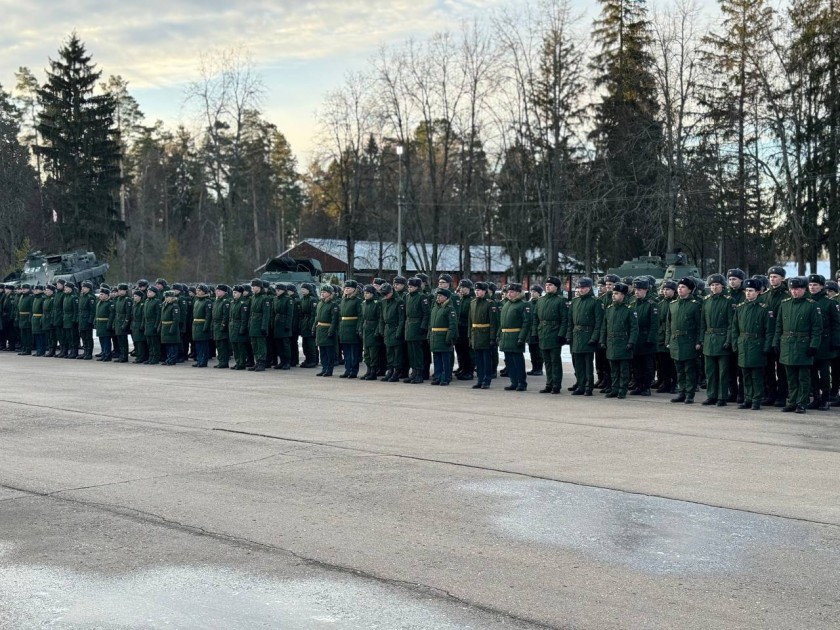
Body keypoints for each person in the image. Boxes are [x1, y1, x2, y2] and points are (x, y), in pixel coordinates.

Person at [773, 276, 822, 413]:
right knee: (791, 377)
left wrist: (814, 345)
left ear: (804, 289)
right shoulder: (785, 304)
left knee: (803, 377)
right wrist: (775, 342)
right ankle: (793, 401)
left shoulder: (811, 305)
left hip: (803, 345)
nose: (794, 292)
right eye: (792, 289)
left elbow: (817, 329)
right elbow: (778, 326)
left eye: (798, 289)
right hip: (787, 344)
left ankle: (802, 402)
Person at [731, 278, 773, 410]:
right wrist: (735, 344)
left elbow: (769, 330)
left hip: (757, 344)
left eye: (751, 291)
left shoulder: (764, 308)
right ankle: (747, 398)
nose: (748, 293)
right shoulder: (740, 307)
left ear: (758, 292)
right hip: (743, 343)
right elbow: (734, 328)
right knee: (745, 375)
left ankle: (756, 400)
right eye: (746, 291)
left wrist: (767, 347)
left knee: (757, 375)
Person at [665, 277, 703, 404]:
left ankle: (690, 394)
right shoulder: (673, 304)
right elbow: (668, 325)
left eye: (683, 287)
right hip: (676, 341)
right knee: (679, 370)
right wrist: (668, 340)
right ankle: (681, 392)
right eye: (679, 287)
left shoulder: (695, 305)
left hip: (689, 341)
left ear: (690, 290)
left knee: (689, 370)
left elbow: (699, 326)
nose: (680, 289)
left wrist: (698, 341)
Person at [806, 274, 840, 410]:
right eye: (810, 285)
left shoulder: (830, 302)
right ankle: (816, 397)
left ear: (821, 287)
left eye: (815, 285)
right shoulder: (807, 301)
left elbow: (836, 325)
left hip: (825, 342)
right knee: (812, 372)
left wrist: (835, 342)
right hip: (809, 341)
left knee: (825, 372)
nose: (812, 287)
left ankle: (825, 398)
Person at [599, 282, 639, 399]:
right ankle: (614, 388)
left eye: (616, 293)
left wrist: (631, 342)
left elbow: (634, 328)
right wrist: (602, 340)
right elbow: (604, 327)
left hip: (623, 342)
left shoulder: (629, 310)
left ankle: (622, 389)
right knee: (613, 369)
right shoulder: (609, 309)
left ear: (623, 295)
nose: (613, 295)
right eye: (613, 293)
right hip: (611, 342)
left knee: (624, 370)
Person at [700, 274, 733, 406]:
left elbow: (731, 323)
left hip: (722, 338)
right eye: (712, 285)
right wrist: (701, 340)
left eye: (717, 285)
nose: (714, 287)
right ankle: (711, 395)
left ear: (722, 286)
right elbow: (702, 322)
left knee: (723, 372)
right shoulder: (706, 300)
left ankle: (722, 396)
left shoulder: (728, 300)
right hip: (709, 339)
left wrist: (728, 340)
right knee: (710, 371)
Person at [568, 277, 604, 395]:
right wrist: (569, 335)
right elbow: (570, 321)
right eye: (579, 287)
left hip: (588, 335)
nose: (580, 290)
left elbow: (599, 322)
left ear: (589, 288)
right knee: (578, 362)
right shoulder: (575, 301)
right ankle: (581, 384)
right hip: (576, 335)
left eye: (583, 287)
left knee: (588, 363)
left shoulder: (595, 301)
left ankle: (588, 386)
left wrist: (594, 337)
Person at [533, 276, 567, 394]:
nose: (547, 286)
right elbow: (535, 318)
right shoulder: (541, 300)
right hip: (543, 333)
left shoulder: (560, 300)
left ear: (556, 287)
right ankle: (549, 383)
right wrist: (535, 333)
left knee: (555, 361)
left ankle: (556, 385)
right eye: (546, 285)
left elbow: (564, 319)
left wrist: (561, 334)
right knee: (546, 361)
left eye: (550, 285)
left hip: (554, 333)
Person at [498, 283, 532, 391]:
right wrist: (498, 334)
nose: (509, 294)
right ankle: (514, 382)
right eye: (508, 292)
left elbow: (526, 323)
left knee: (518, 361)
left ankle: (522, 383)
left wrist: (521, 338)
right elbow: (502, 322)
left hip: (515, 335)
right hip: (505, 336)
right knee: (509, 361)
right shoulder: (506, 304)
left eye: (512, 292)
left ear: (518, 292)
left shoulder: (523, 305)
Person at [629, 277, 659, 396]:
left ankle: (646, 387)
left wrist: (650, 339)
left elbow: (654, 324)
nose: (637, 292)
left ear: (646, 290)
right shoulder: (632, 304)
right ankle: (639, 385)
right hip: (636, 339)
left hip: (646, 338)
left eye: (640, 289)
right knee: (636, 365)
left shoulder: (651, 304)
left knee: (647, 365)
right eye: (635, 289)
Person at [468, 281, 499, 390]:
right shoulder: (472, 303)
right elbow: (470, 322)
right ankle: (480, 380)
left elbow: (493, 323)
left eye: (479, 290)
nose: (477, 292)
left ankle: (486, 380)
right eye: (476, 290)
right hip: (475, 335)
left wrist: (492, 337)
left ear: (485, 291)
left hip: (485, 335)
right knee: (478, 360)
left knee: (486, 360)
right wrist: (470, 336)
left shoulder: (490, 303)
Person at [403, 277, 430, 384]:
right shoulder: (407, 296)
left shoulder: (422, 297)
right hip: (409, 326)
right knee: (411, 352)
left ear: (417, 287)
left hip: (417, 326)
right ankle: (413, 372)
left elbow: (426, 313)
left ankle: (419, 373)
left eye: (412, 287)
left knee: (418, 352)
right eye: (409, 286)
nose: (409, 288)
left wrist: (423, 326)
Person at [429, 288, 458, 385]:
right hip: (435, 336)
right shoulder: (435, 308)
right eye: (437, 296)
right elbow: (431, 324)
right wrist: (429, 335)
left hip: (444, 336)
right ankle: (438, 376)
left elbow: (453, 325)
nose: (438, 297)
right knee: (437, 358)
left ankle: (446, 377)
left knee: (445, 359)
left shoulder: (449, 308)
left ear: (446, 297)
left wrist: (449, 337)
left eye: (440, 296)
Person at [339, 280, 363, 378]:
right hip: (344, 327)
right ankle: (347, 369)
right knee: (346, 351)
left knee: (354, 352)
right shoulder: (343, 300)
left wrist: (358, 328)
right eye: (345, 288)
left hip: (352, 327)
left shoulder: (357, 300)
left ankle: (353, 370)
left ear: (354, 289)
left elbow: (360, 315)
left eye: (348, 288)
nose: (346, 290)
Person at [314, 285, 340, 377]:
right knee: (322, 351)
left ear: (329, 294)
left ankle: (329, 369)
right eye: (321, 292)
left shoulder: (333, 304)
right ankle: (324, 368)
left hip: (327, 329)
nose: (322, 294)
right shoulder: (320, 303)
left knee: (329, 352)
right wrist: (314, 327)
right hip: (320, 329)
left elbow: (334, 320)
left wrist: (331, 330)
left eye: (324, 292)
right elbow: (317, 317)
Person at [247, 279, 271, 372]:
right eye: (252, 287)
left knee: (261, 345)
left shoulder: (265, 298)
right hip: (253, 324)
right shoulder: (252, 298)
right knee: (254, 344)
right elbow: (250, 313)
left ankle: (262, 362)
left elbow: (266, 314)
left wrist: (264, 327)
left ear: (260, 287)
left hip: (260, 323)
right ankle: (257, 362)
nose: (253, 288)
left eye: (255, 287)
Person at [360, 284, 383, 380]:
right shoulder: (364, 303)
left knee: (373, 352)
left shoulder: (377, 303)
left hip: (373, 328)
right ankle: (368, 370)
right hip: (366, 328)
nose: (366, 295)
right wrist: (360, 328)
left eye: (368, 293)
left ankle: (373, 371)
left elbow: (380, 318)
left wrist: (378, 330)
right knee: (366, 352)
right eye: (365, 293)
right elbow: (362, 317)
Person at [272, 283, 294, 370]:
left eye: (278, 290)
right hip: (277, 323)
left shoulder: (288, 300)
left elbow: (290, 314)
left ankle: (287, 362)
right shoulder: (275, 299)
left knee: (285, 344)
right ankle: (282, 361)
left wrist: (288, 325)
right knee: (279, 344)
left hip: (284, 322)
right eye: (276, 290)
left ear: (283, 291)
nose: (277, 292)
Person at [227, 286, 250, 370]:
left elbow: (244, 318)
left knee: (241, 347)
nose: (234, 294)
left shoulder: (243, 303)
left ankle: (242, 363)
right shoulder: (233, 302)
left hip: (239, 326)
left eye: (235, 292)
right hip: (233, 326)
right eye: (233, 292)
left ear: (240, 293)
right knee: (235, 346)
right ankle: (237, 362)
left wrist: (242, 329)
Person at [191, 284, 213, 368]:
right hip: (196, 325)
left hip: (202, 325)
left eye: (199, 290)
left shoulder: (207, 302)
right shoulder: (196, 301)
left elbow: (208, 316)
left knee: (203, 345)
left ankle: (203, 361)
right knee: (197, 345)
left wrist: (206, 327)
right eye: (197, 290)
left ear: (204, 291)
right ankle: (199, 360)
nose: (197, 292)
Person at [298, 283, 319, 368]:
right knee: (305, 344)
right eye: (302, 289)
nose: (302, 291)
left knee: (311, 343)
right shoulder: (303, 299)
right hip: (304, 322)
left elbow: (314, 314)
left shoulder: (312, 300)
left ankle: (313, 360)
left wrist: (311, 325)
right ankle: (307, 359)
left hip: (310, 322)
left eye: (304, 289)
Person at [160, 290, 182, 366]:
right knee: (168, 344)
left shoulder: (174, 306)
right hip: (165, 327)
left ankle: (172, 359)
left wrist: (172, 329)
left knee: (173, 344)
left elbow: (176, 319)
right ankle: (169, 358)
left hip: (171, 326)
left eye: (168, 297)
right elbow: (162, 317)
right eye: (165, 297)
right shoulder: (164, 305)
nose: (166, 298)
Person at [212, 285, 232, 369]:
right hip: (216, 325)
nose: (217, 292)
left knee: (223, 345)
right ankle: (220, 361)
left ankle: (224, 362)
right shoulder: (217, 301)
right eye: (217, 290)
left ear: (224, 292)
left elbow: (226, 315)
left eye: (219, 291)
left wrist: (223, 325)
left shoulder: (225, 301)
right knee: (218, 345)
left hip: (221, 324)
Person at [527, 284, 544, 377]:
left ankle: (539, 368)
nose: (532, 293)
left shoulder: (541, 302)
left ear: (539, 293)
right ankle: (534, 368)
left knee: (538, 351)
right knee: (532, 350)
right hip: (530, 330)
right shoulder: (528, 303)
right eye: (531, 291)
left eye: (535, 292)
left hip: (538, 330)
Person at [77, 281, 96, 360]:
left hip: (87, 319)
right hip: (82, 319)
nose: (82, 289)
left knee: (88, 337)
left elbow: (92, 311)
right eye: (82, 287)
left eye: (84, 287)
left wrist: (90, 321)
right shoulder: (82, 296)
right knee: (83, 336)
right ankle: (85, 351)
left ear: (88, 288)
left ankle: (89, 353)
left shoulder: (90, 297)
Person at [143, 286, 163, 365]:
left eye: (150, 292)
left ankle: (156, 357)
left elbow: (159, 315)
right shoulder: (147, 301)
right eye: (148, 292)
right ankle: (150, 357)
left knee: (155, 342)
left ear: (155, 293)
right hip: (147, 324)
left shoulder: (157, 302)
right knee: (149, 342)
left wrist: (156, 325)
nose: (148, 293)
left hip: (153, 323)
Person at [94, 287, 114, 361]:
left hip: (105, 323)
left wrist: (109, 324)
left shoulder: (109, 303)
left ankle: (108, 355)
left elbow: (111, 315)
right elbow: (96, 314)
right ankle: (103, 354)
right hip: (100, 323)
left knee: (106, 341)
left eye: (102, 294)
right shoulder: (99, 303)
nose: (100, 295)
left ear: (107, 295)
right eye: (100, 294)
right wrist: (95, 322)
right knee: (101, 340)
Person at [131, 289, 147, 363]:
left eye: (136, 296)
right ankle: (138, 356)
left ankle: (141, 357)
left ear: (140, 297)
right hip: (134, 325)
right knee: (136, 341)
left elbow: (144, 316)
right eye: (134, 296)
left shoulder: (142, 305)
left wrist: (142, 325)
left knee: (140, 342)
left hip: (140, 324)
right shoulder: (134, 305)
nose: (134, 297)